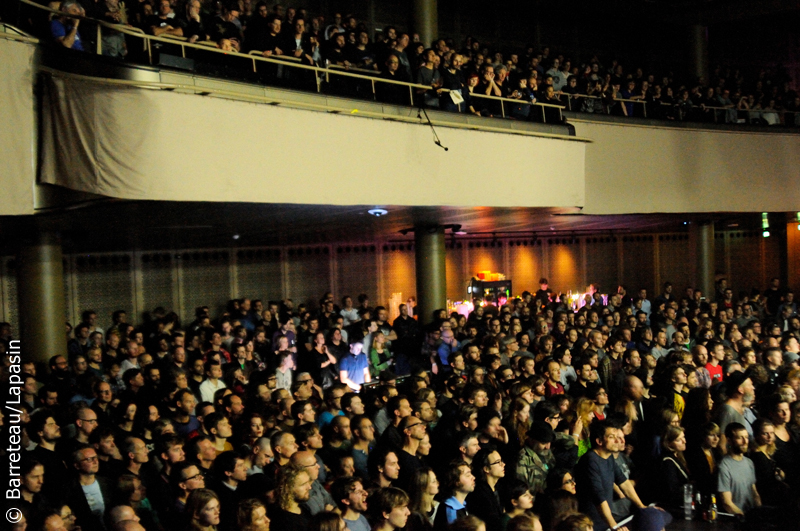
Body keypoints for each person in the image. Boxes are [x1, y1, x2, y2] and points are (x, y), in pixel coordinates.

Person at [718, 422, 761, 515]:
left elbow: (754, 492)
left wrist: (759, 512)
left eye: (746, 437)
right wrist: (744, 517)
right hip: (735, 520)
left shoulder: (749, 463)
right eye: (739, 438)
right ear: (729, 440)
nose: (745, 441)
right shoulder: (724, 467)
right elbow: (727, 503)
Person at [434, 461, 475, 529]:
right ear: (456, 482)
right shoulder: (451, 510)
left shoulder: (462, 506)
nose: (473, 477)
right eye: (468, 475)